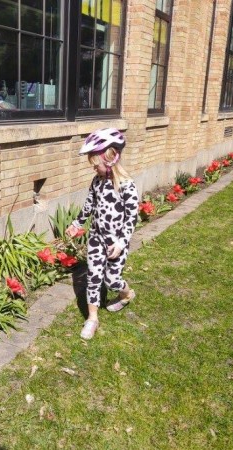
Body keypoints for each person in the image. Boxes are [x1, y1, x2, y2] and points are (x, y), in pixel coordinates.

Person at [65, 128, 139, 340]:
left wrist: (121, 243)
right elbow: (89, 206)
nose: (93, 167)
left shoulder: (127, 186)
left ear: (110, 158)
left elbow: (131, 218)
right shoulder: (97, 182)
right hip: (96, 239)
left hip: (116, 242)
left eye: (95, 163)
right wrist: (76, 224)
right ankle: (92, 318)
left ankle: (126, 294)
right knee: (94, 277)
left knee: (112, 280)